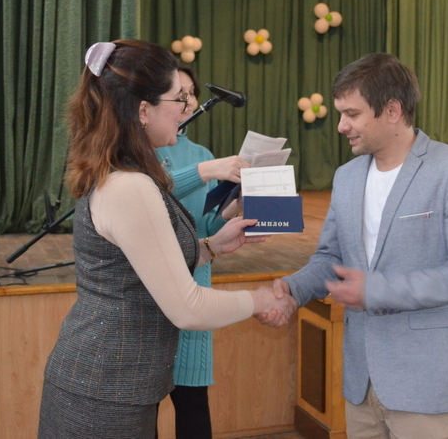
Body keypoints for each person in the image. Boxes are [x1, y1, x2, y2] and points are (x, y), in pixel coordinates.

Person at [38, 40, 294, 439]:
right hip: (104, 394)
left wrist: (213, 246)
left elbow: (142, 265)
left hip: (113, 385)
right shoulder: (130, 185)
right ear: (143, 111)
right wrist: (261, 300)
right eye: (179, 98)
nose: (186, 108)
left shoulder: (127, 172)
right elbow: (188, 308)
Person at [261, 53, 448, 439]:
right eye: (341, 113)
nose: (342, 126)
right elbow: (332, 257)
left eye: (352, 114)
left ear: (392, 110)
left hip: (429, 384)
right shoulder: (347, 176)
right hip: (362, 384)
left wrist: (376, 290)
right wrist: (293, 290)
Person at [155, 65, 249, 439]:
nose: (188, 100)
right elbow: (151, 192)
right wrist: (206, 170)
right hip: (152, 300)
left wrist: (233, 209)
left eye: (191, 92)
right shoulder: (138, 152)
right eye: (179, 93)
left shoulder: (200, 153)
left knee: (194, 409)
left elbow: (205, 227)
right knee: (141, 414)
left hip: (195, 288)